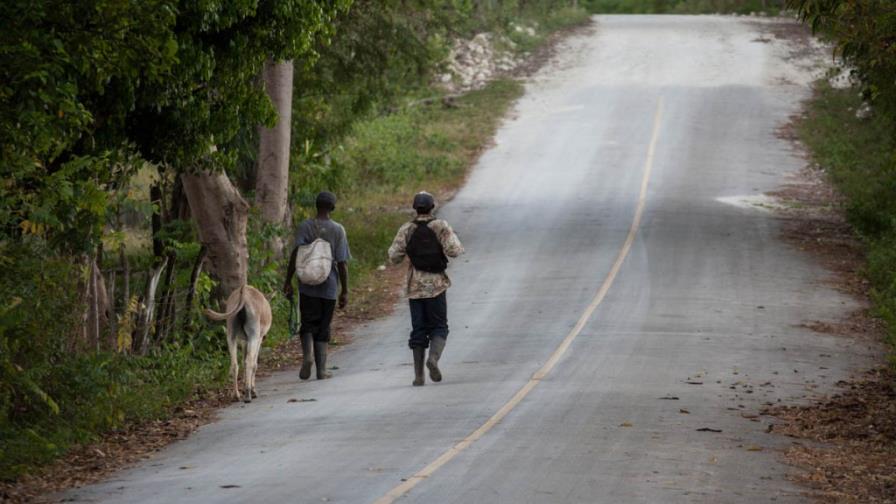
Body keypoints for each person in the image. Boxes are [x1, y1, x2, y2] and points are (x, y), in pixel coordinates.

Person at [388, 191, 464, 386]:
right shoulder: (440, 226)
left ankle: (418, 376)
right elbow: (454, 250)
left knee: (418, 329)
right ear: (432, 207)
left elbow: (394, 256)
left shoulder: (407, 229)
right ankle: (434, 359)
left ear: (415, 208)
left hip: (415, 287)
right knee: (440, 326)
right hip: (437, 285)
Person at [284, 191, 350, 380]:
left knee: (307, 324)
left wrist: (288, 280)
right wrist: (344, 291)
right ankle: (321, 370)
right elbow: (342, 263)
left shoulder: (305, 226)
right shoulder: (338, 230)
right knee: (323, 326)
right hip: (328, 287)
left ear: (316, 206)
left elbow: (296, 254)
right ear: (332, 208)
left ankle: (307, 357)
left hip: (306, 285)